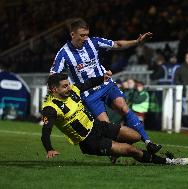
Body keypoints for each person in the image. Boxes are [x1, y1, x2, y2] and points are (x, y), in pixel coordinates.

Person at [50, 18, 161, 154]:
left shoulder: (93, 42)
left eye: (87, 35)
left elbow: (117, 45)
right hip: (89, 94)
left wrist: (137, 41)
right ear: (72, 35)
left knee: (123, 107)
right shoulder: (63, 53)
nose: (85, 38)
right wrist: (60, 93)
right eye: (82, 35)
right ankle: (119, 152)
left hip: (106, 85)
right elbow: (53, 75)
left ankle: (148, 142)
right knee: (107, 127)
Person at [41, 73, 188, 165]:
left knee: (135, 136)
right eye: (65, 86)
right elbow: (46, 131)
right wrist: (49, 149)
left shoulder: (72, 90)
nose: (69, 87)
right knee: (131, 150)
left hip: (97, 125)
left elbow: (87, 83)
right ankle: (169, 161)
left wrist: (102, 78)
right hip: (89, 141)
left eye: (69, 84)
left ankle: (115, 152)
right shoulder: (50, 108)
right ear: (54, 90)